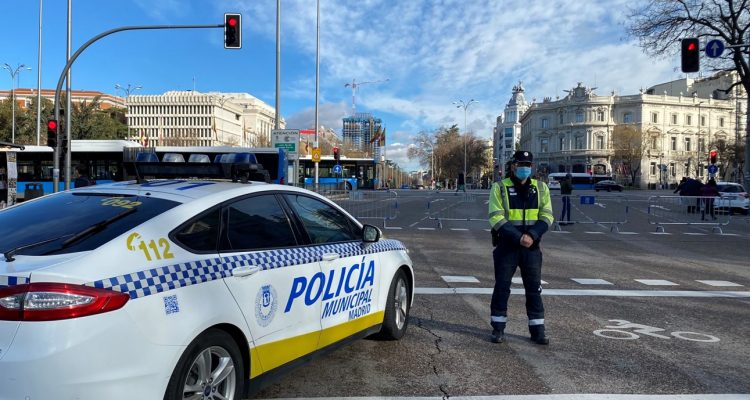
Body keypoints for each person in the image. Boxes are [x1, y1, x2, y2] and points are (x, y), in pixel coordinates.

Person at [488, 150, 554, 345]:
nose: (524, 168)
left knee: (534, 289)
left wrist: (532, 235)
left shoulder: (541, 188)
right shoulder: (499, 187)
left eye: (528, 165)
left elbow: (547, 216)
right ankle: (498, 329)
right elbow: (496, 217)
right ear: (513, 166)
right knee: (502, 288)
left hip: (531, 248)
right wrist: (519, 238)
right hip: (507, 246)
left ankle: (538, 331)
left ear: (532, 167)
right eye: (520, 164)